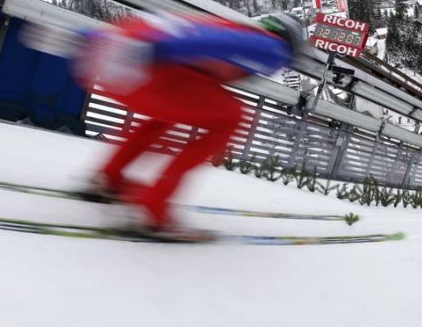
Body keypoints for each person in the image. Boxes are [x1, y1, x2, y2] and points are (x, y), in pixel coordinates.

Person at [62, 12, 305, 232]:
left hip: (110, 61)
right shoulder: (272, 46)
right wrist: (157, 49)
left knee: (167, 115)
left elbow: (183, 29)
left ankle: (108, 179)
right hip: (144, 59)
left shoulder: (233, 26)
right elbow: (216, 43)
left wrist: (94, 37)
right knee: (233, 117)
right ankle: (152, 210)